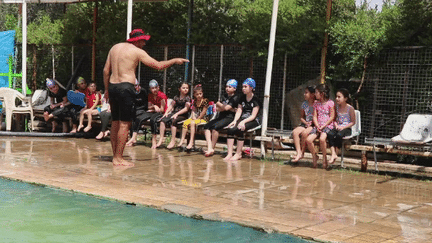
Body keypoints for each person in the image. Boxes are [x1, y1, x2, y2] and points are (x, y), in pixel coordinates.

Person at [103, 28, 188, 166]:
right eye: (143, 41)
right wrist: (174, 60)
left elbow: (106, 71)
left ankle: (115, 156)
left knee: (115, 122)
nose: (144, 44)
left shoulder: (114, 48)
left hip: (113, 86)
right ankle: (118, 158)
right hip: (126, 87)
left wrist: (107, 89)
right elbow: (158, 66)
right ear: (137, 40)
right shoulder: (137, 51)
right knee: (124, 123)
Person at [224, 78, 261, 161]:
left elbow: (253, 116)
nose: (243, 88)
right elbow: (239, 111)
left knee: (240, 129)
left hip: (253, 121)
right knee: (230, 129)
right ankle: (229, 154)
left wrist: (243, 122)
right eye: (242, 87)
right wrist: (234, 121)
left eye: (245, 86)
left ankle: (238, 153)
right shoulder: (242, 98)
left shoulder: (256, 100)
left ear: (251, 88)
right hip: (242, 119)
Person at [203, 79, 240, 157]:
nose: (227, 88)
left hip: (230, 117)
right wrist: (231, 109)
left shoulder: (236, 97)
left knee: (214, 128)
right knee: (206, 127)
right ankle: (210, 147)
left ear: (234, 89)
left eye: (230, 87)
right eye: (226, 86)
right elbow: (218, 108)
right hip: (221, 116)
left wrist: (219, 103)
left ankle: (212, 148)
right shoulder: (224, 96)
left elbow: (226, 108)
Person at [306, 84, 335, 169]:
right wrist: (318, 125)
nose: (315, 94)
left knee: (322, 139)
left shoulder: (330, 103)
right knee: (308, 140)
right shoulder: (316, 104)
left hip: (327, 126)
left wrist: (324, 126)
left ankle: (324, 158)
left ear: (322, 93)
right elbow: (314, 116)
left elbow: (332, 117)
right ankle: (314, 156)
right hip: (318, 126)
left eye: (316, 92)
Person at [156, 82, 191, 149]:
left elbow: (186, 109)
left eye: (187, 88)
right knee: (162, 120)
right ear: (179, 89)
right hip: (174, 113)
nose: (185, 89)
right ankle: (161, 139)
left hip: (183, 115)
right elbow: (171, 105)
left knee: (174, 121)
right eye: (183, 88)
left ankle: (173, 141)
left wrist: (177, 114)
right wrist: (166, 113)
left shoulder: (188, 98)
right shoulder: (176, 97)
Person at [178, 84, 210, 151]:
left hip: (203, 119)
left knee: (192, 123)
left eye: (200, 94)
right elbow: (193, 110)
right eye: (197, 94)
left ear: (202, 94)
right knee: (186, 122)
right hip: (196, 119)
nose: (199, 96)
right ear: (195, 95)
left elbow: (204, 112)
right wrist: (193, 116)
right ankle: (182, 140)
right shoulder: (195, 101)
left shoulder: (205, 101)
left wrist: (197, 118)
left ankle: (191, 142)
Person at [328, 88, 356, 164]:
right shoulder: (336, 107)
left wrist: (343, 127)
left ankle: (336, 153)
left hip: (347, 128)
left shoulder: (350, 108)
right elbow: (334, 119)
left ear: (345, 98)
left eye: (339, 97)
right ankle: (333, 153)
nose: (337, 98)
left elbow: (353, 122)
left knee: (339, 135)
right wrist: (336, 125)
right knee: (330, 134)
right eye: (336, 96)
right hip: (338, 127)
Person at [292, 86, 316, 163]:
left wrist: (311, 123)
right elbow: (301, 117)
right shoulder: (304, 104)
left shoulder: (317, 104)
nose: (304, 94)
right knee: (295, 132)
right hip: (305, 123)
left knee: (304, 133)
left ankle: (302, 153)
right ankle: (298, 152)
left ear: (312, 94)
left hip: (314, 124)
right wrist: (306, 123)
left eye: (306, 93)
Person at [126, 79, 150, 146]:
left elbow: (145, 103)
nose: (135, 87)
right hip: (135, 109)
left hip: (142, 109)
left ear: (139, 85)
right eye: (134, 86)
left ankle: (133, 138)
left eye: (136, 86)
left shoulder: (143, 91)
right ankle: (131, 137)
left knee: (136, 117)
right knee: (131, 117)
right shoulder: (132, 92)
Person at [147, 80, 168, 149]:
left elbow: (161, 110)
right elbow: (149, 106)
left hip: (162, 113)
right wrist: (154, 106)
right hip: (154, 112)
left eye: (156, 87)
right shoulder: (150, 95)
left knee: (153, 119)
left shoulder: (162, 96)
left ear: (158, 88)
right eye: (152, 88)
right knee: (141, 117)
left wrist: (153, 108)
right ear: (150, 89)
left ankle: (154, 139)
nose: (154, 89)